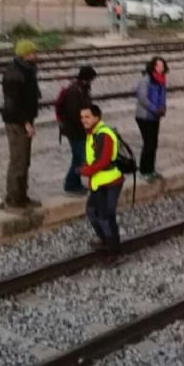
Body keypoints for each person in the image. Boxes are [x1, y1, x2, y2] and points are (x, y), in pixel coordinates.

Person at [79, 105, 124, 265]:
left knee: (106, 217)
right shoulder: (93, 133)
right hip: (99, 182)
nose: (84, 120)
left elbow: (104, 161)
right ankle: (106, 240)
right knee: (92, 211)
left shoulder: (103, 135)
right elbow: (94, 158)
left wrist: (85, 171)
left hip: (110, 182)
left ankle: (114, 251)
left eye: (87, 117)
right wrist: (88, 169)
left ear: (97, 117)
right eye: (82, 117)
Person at [2, 39, 42, 212]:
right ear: (24, 54)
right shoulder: (14, 74)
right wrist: (25, 123)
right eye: (33, 52)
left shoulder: (27, 70)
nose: (36, 55)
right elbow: (14, 104)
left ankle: (22, 197)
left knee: (25, 161)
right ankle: (12, 201)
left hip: (25, 120)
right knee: (18, 161)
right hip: (17, 122)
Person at [58, 66, 97, 196]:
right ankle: (71, 184)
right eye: (92, 79)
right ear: (87, 78)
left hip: (79, 129)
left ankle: (74, 183)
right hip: (75, 130)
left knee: (78, 157)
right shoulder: (75, 91)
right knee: (80, 157)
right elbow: (75, 114)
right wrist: (87, 125)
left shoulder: (82, 89)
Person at [135, 56, 168, 182]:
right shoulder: (146, 80)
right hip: (144, 116)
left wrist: (163, 107)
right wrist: (155, 109)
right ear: (153, 66)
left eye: (162, 65)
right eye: (158, 65)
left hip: (155, 117)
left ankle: (151, 170)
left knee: (154, 144)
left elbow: (163, 95)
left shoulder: (161, 80)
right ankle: (144, 171)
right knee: (148, 144)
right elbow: (142, 98)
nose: (161, 68)